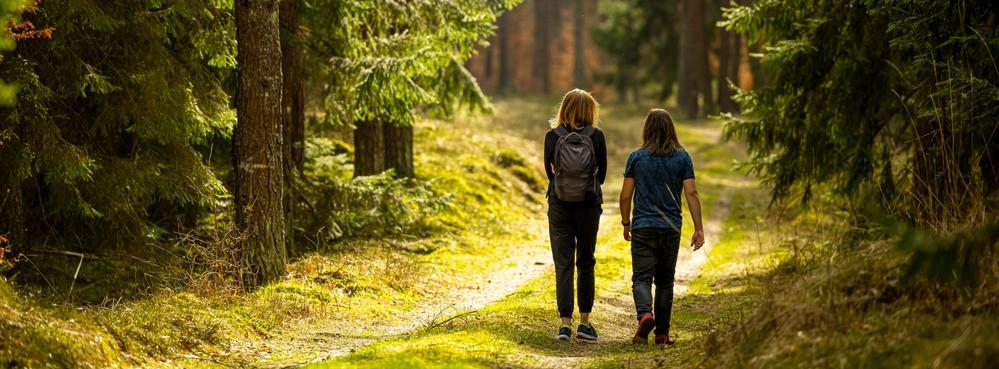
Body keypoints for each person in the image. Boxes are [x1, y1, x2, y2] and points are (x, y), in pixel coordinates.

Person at [619, 108, 705, 346]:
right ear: (671, 129)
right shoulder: (682, 157)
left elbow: (625, 196)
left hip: (643, 227)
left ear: (647, 129)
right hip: (670, 228)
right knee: (665, 281)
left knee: (642, 279)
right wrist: (698, 228)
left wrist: (626, 223)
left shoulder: (636, 158)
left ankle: (645, 314)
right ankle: (662, 335)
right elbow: (691, 192)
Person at [544, 89, 607, 343]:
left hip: (559, 204)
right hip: (589, 204)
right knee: (586, 261)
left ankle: (563, 325)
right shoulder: (597, 136)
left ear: (564, 108)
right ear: (590, 110)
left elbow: (549, 172)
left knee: (563, 264)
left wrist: (563, 186)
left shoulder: (552, 136)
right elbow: (601, 175)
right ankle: (584, 323)